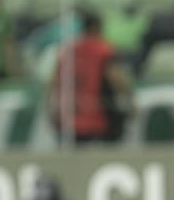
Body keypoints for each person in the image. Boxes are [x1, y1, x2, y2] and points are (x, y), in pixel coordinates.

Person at [50, 10, 133, 143]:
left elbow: (53, 83)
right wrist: (131, 102)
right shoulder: (103, 50)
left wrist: (52, 112)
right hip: (96, 119)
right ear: (97, 28)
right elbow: (116, 79)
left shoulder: (68, 51)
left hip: (68, 120)